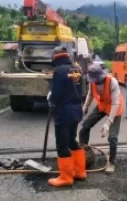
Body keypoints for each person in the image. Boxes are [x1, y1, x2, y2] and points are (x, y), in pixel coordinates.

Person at [47, 46, 86, 187]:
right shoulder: (77, 69)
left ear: (55, 57)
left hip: (64, 112)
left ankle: (66, 177)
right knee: (72, 141)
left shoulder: (58, 71)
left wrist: (51, 100)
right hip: (76, 110)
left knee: (62, 144)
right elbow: (81, 90)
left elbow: (56, 93)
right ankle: (80, 172)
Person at [79, 63, 123, 173]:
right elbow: (90, 94)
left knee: (112, 138)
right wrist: (85, 107)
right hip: (102, 106)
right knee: (84, 127)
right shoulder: (92, 81)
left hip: (114, 108)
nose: (95, 81)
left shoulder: (112, 82)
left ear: (101, 76)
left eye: (96, 79)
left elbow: (116, 104)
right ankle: (85, 153)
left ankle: (112, 163)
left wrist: (108, 123)